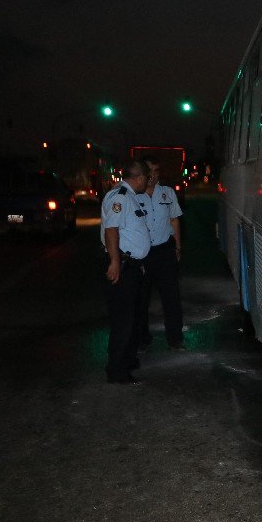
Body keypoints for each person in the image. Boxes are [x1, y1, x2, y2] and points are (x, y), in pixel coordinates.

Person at [100, 160, 151, 384]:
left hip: (132, 266)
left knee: (132, 318)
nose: (148, 182)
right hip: (122, 266)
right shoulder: (120, 197)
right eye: (147, 178)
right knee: (123, 321)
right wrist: (114, 262)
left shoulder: (130, 196)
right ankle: (117, 371)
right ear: (139, 178)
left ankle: (128, 360)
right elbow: (111, 230)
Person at [137, 155, 184, 350]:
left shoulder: (167, 193)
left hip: (164, 251)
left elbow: (174, 220)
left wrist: (178, 246)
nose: (153, 176)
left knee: (171, 298)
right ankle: (141, 338)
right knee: (140, 299)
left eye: (156, 171)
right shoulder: (133, 195)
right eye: (150, 172)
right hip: (141, 254)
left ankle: (175, 339)